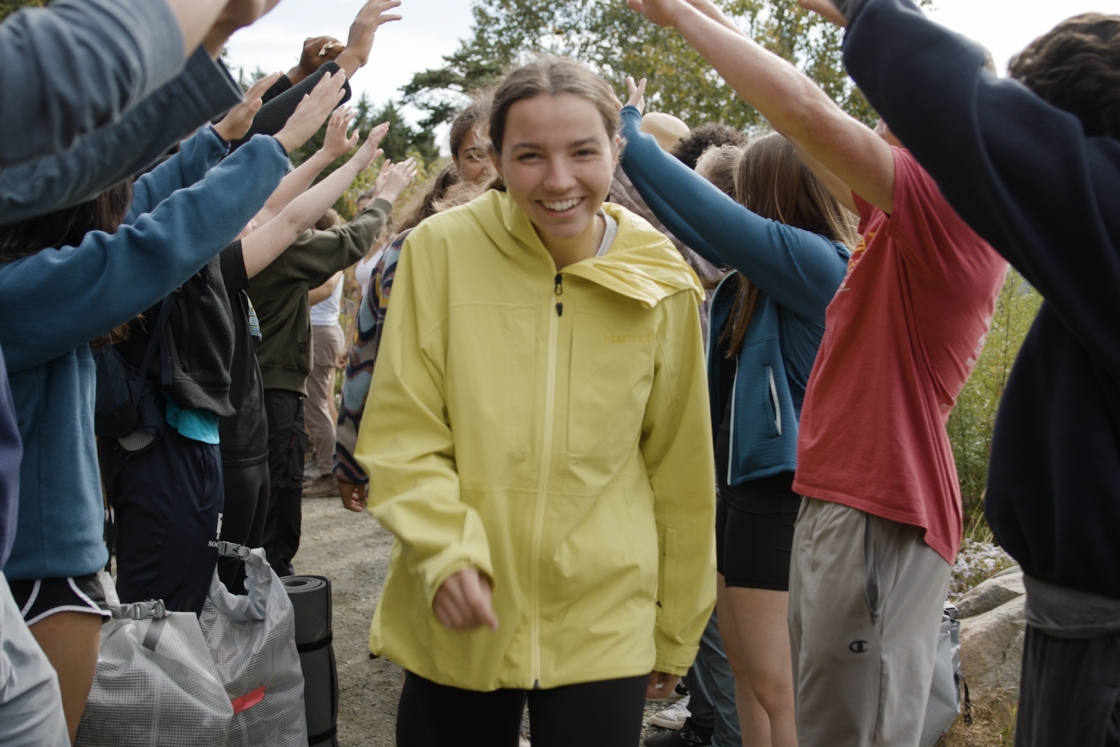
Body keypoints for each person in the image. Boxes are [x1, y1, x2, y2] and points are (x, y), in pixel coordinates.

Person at [627, 1, 1010, 745]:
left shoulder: (947, 211)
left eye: (892, 103)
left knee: (847, 726)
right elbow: (800, 116)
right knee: (817, 714)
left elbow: (802, 111)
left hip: (879, 507)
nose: (873, 119)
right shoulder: (895, 222)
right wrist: (701, 14)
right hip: (842, 500)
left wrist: (679, 20)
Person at [353, 56, 716, 747]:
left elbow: (682, 470)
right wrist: (446, 550)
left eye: (582, 152)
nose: (558, 180)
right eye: (529, 155)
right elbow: (403, 430)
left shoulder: (661, 276)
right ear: (493, 158)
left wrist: (676, 625)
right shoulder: (435, 251)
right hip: (459, 600)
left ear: (616, 149)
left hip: (605, 616)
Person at [794, 2, 1120, 745]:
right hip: (1073, 621)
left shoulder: (1083, 228)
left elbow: (814, 114)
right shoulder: (1085, 252)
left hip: (1095, 633)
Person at [621, 78, 856, 747]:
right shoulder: (757, 278)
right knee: (750, 679)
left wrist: (629, 128)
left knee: (779, 689)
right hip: (740, 492)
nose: (733, 208)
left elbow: (704, 211)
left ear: (770, 194)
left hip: (782, 496)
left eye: (743, 194)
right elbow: (687, 219)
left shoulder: (818, 265)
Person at [333, 98, 494, 512]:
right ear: (456, 163)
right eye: (475, 154)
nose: (490, 165)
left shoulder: (559, 246)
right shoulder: (414, 247)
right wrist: (349, 456)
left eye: (501, 150)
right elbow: (369, 349)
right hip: (436, 454)